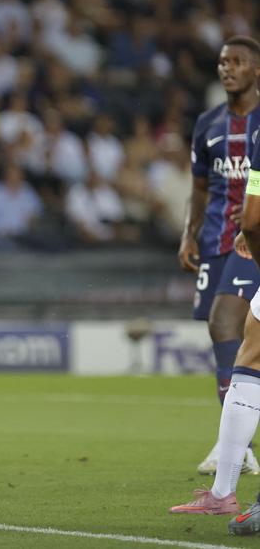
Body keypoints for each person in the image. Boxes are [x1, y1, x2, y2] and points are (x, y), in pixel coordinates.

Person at [170, 53, 260, 534]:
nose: (227, 68)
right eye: (223, 61)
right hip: (222, 243)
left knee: (235, 334)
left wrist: (251, 233)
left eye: (239, 61)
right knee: (239, 345)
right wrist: (191, 232)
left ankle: (232, 470)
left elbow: (254, 208)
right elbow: (200, 186)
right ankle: (229, 475)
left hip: (249, 244)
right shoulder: (208, 124)